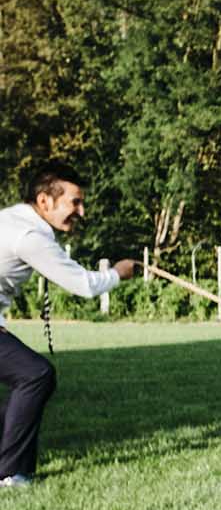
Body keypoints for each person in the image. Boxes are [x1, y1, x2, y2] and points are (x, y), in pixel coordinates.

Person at [0, 161, 137, 488]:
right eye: (74, 202)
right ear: (45, 200)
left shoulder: (12, 219)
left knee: (29, 380)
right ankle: (11, 474)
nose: (82, 211)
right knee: (35, 375)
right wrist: (120, 272)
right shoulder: (29, 235)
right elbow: (84, 285)